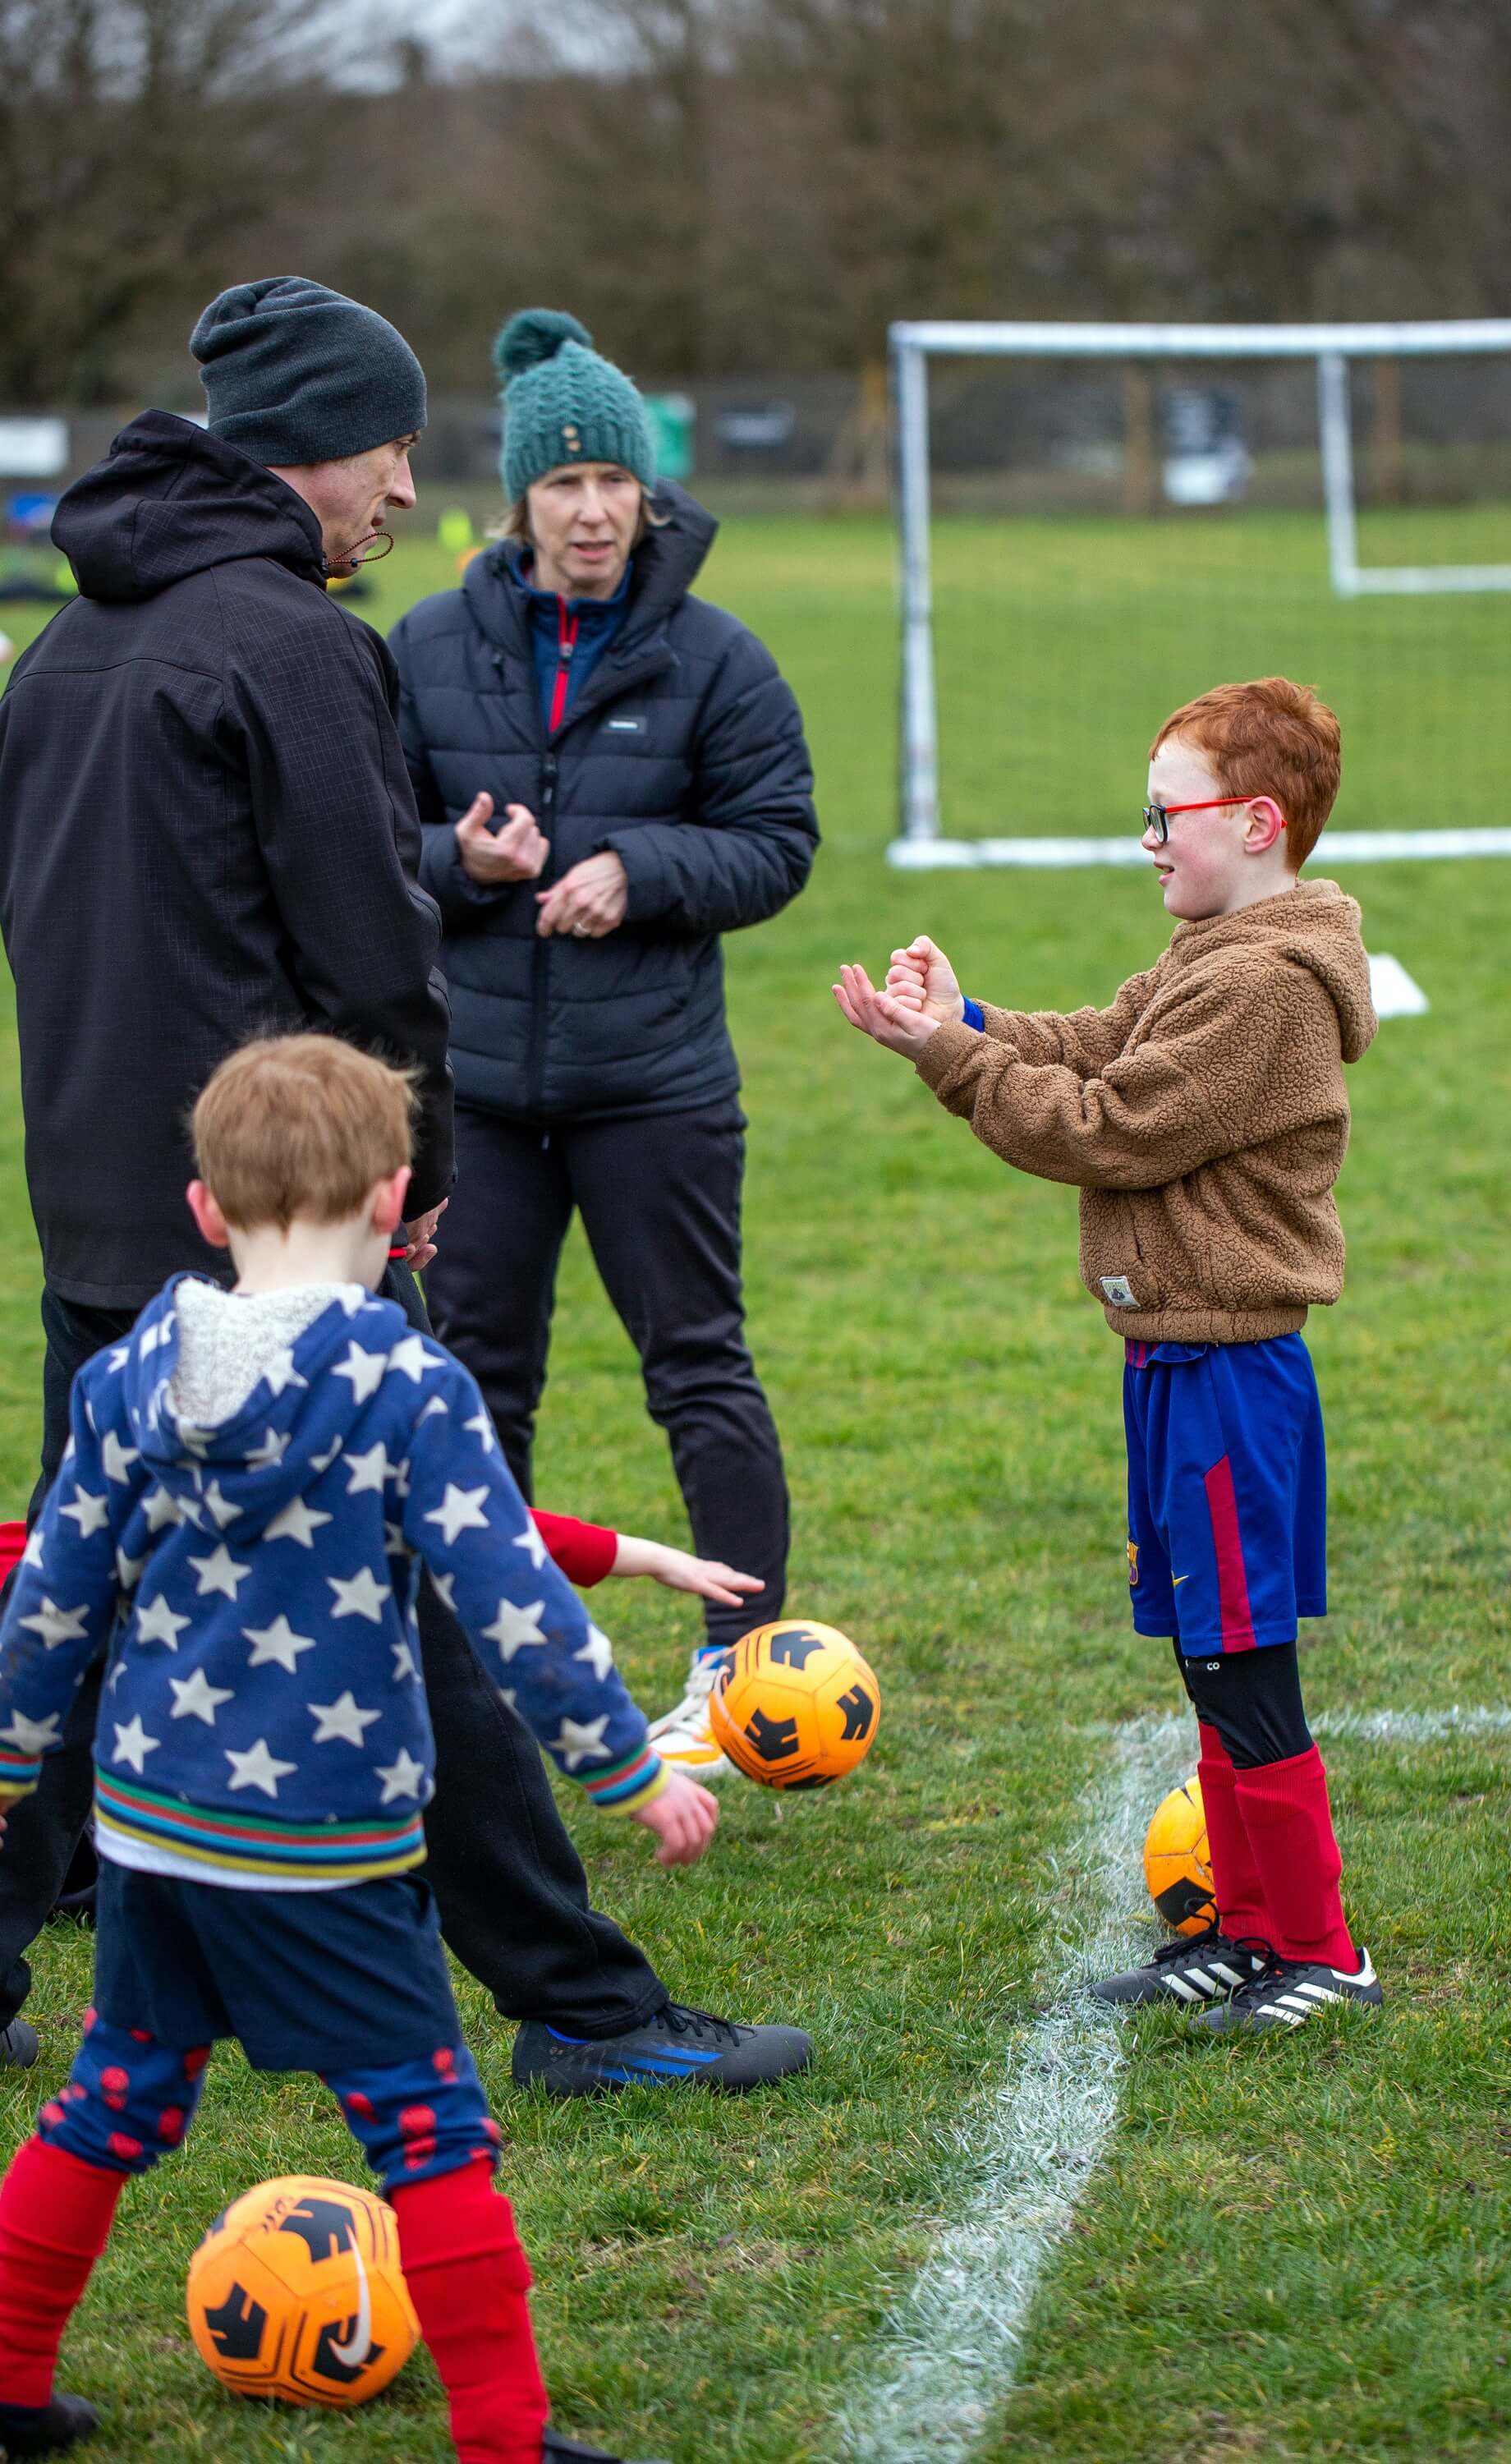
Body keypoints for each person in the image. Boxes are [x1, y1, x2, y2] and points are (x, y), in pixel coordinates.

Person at [0, 275, 810, 2097]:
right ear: (315, 448)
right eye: (389, 450)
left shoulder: (68, 647)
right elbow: (371, 963)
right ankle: (584, 2009)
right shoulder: (295, 647)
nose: (399, 490)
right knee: (424, 1595)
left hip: (106, 1225)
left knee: (85, 1582)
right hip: (283, 1224)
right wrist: (413, 1175)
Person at [0, 1035, 702, 2462]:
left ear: (204, 1210)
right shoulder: (405, 1380)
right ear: (395, 1203)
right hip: (321, 1842)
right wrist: (626, 1765)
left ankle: (6, 2380)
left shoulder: (130, 1371)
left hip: (147, 1828)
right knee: (432, 2135)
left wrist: (11, 1767)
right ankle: (505, 2438)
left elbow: (50, 1600)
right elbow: (509, 1594)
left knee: (115, 2096)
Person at [834, 677, 1384, 2034]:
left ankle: (1320, 1948)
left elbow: (1106, 1125)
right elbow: (1095, 1043)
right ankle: (1247, 1934)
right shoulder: (1208, 958)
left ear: (1258, 822)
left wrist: (952, 1064)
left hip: (1233, 1377)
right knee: (1206, 1651)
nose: (1147, 841)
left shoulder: (1266, 986)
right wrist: (963, 1023)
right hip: (1172, 1361)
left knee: (1245, 1661)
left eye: (1165, 816)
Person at [389, 310, 817, 1782]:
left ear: (649, 495)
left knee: (698, 1366)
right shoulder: (429, 645)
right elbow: (368, 848)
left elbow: (778, 843)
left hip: (656, 1086)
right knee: (478, 1385)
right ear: (520, 496)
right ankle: (493, 1681)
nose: (589, 510)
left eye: (613, 484)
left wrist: (638, 871)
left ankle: (742, 1672)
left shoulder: (717, 657)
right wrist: (465, 861)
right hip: (477, 1095)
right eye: (562, 484)